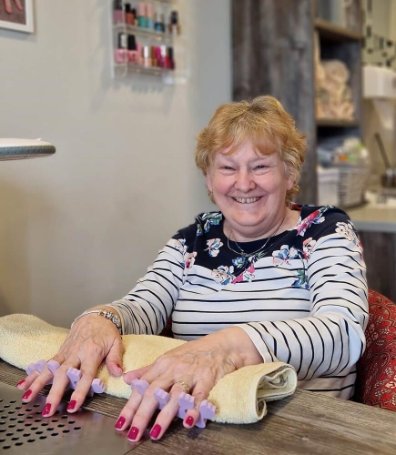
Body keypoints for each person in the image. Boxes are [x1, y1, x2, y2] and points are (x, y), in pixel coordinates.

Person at [16, 95, 368, 442]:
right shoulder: (193, 241)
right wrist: (98, 319)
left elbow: (345, 332)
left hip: (301, 431)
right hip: (196, 427)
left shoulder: (325, 230)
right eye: (228, 167)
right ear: (209, 180)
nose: (244, 183)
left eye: (260, 166)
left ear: (289, 173)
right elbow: (142, 308)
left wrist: (228, 346)